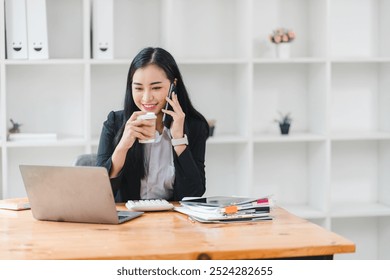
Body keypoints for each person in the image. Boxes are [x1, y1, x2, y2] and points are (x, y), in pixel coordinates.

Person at [96, 47, 209, 202]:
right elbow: (100, 191)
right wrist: (123, 145)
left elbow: (194, 192)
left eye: (156, 87)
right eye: (138, 88)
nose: (147, 97)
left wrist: (179, 140)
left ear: (173, 85)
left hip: (173, 221)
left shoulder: (195, 126)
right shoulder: (114, 123)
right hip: (128, 221)